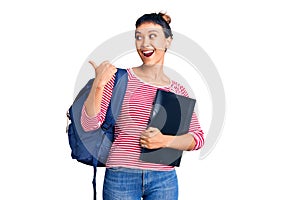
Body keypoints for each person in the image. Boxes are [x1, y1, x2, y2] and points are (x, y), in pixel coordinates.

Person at [81, 12, 204, 200]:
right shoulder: (119, 79)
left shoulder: (178, 90)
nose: (144, 43)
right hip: (121, 175)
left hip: (164, 179)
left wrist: (165, 141)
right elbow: (89, 125)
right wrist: (99, 84)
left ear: (168, 41)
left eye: (152, 36)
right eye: (139, 37)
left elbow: (197, 138)